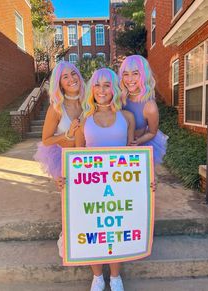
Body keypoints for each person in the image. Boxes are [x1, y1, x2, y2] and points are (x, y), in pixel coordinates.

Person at [75, 68, 135, 291]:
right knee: (93, 230)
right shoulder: (84, 118)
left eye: (107, 85)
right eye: (97, 85)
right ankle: (98, 276)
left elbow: (133, 154)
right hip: (91, 187)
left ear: (114, 89)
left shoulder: (126, 117)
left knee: (116, 229)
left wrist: (146, 182)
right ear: (92, 89)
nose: (102, 90)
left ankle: (116, 277)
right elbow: (76, 155)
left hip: (120, 185)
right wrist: (65, 180)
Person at [34, 61, 85, 180]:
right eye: (65, 77)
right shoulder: (56, 108)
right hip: (65, 159)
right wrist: (67, 134)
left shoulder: (89, 102)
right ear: (60, 84)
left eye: (74, 74)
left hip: (88, 158)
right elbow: (46, 140)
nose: (71, 79)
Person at [119, 55, 168, 165]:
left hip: (138, 149)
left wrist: (136, 142)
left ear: (144, 75)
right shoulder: (119, 98)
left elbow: (152, 132)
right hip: (118, 147)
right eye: (126, 74)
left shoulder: (150, 106)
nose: (130, 79)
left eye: (135, 73)